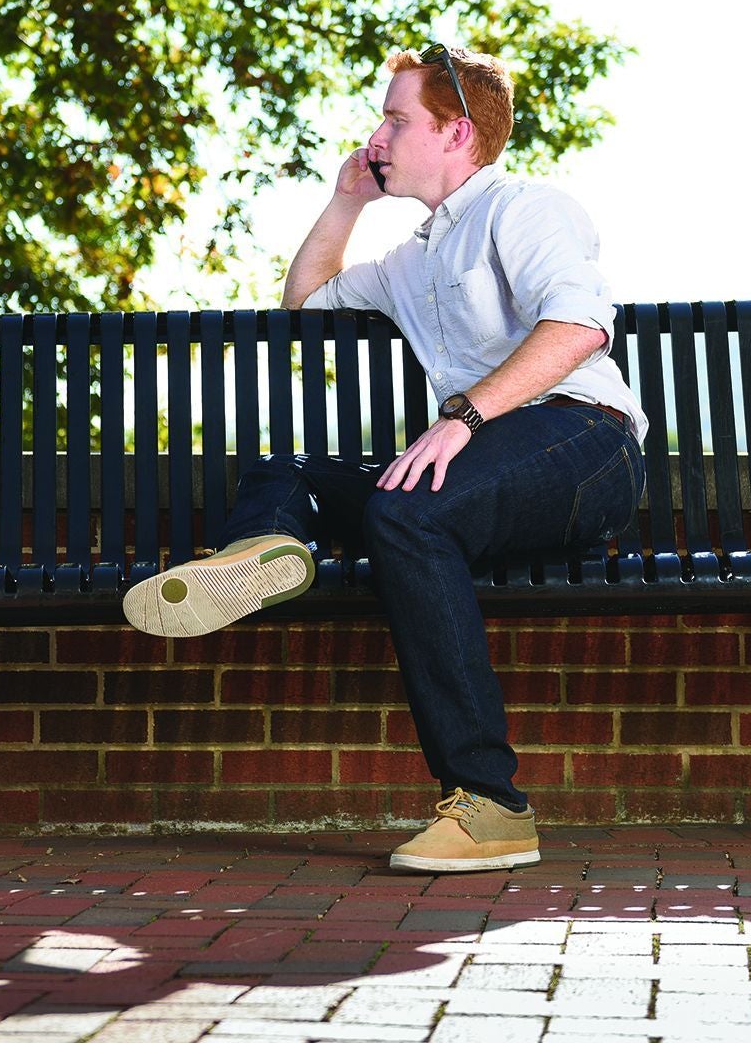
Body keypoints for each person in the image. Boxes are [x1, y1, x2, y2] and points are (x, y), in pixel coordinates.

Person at [122, 45, 648, 873]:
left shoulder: (524, 206)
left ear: (457, 133)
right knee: (289, 468)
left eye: (397, 119)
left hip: (583, 445)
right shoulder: (415, 258)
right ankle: (265, 552)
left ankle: (492, 806)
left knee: (405, 513)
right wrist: (346, 200)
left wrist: (464, 416)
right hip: (487, 468)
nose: (377, 134)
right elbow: (302, 302)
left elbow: (580, 325)